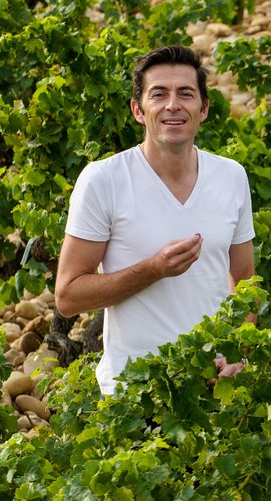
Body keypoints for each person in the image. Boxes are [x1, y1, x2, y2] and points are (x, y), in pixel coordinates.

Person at [54, 44, 255, 396]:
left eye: (186, 94)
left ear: (204, 109)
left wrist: (239, 353)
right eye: (158, 94)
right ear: (137, 109)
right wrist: (153, 269)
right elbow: (68, 296)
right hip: (134, 392)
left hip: (214, 386)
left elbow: (244, 280)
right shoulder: (103, 180)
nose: (172, 105)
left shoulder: (231, 176)